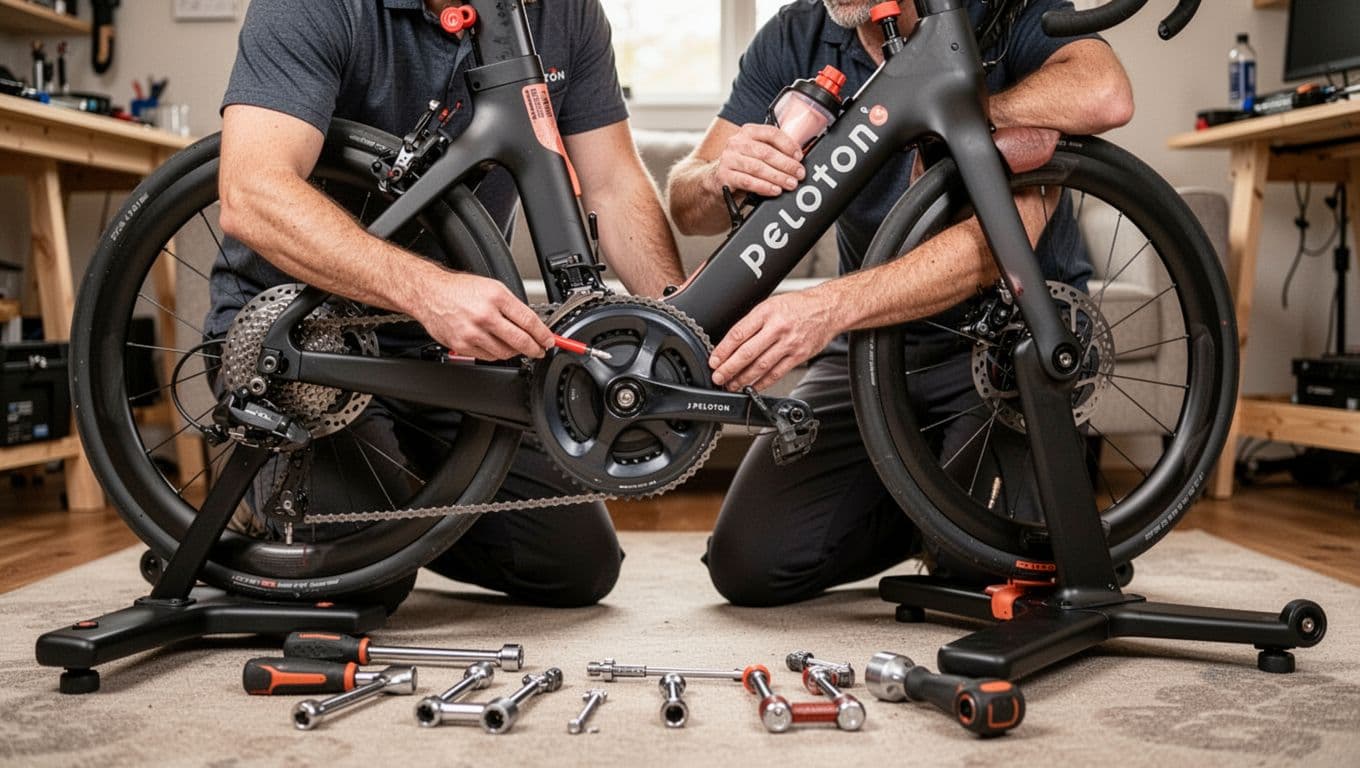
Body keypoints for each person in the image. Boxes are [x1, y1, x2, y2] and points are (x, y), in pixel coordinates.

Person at [215, 0, 685, 608]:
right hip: (299, 344)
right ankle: (282, 502)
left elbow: (614, 184)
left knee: (576, 568)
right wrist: (428, 290)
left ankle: (392, 494)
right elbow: (252, 191)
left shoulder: (566, 12)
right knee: (366, 582)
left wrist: (680, 331)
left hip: (450, 352)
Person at [666, 0, 1134, 606]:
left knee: (986, 572)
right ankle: (930, 510)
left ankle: (955, 522)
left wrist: (954, 113)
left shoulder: (1000, 14)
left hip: (1005, 346)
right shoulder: (797, 33)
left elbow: (1106, 92)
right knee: (747, 565)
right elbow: (685, 203)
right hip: (873, 340)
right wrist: (716, 177)